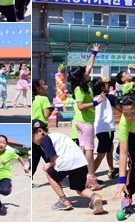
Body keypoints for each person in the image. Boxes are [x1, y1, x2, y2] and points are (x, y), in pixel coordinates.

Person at [32, 122, 104, 214]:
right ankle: (95, 197)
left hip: (66, 162)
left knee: (49, 174)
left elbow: (54, 160)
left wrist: (48, 165)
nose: (32, 140)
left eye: (32, 137)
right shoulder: (57, 135)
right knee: (80, 189)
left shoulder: (45, 140)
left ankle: (63, 201)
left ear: (40, 131)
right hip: (80, 162)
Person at [68, 43, 105, 190]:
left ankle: (81, 175)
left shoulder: (84, 83)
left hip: (82, 122)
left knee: (83, 148)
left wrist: (94, 53)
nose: (87, 71)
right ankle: (91, 177)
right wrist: (96, 102)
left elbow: (89, 65)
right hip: (84, 122)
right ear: (81, 76)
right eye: (84, 72)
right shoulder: (79, 89)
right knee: (89, 149)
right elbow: (80, 106)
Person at [0, 135, 29, 215]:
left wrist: (25, 167)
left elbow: (19, 158)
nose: (1, 144)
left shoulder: (9, 152)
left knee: (5, 191)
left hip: (6, 176)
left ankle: (8, 187)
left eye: (3, 143)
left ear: (6, 144)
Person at [91, 78, 119, 180]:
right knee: (101, 153)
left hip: (99, 129)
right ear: (103, 88)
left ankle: (111, 169)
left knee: (110, 149)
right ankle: (89, 176)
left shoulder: (94, 98)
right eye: (107, 85)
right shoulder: (108, 97)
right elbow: (119, 107)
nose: (109, 86)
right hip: (107, 129)